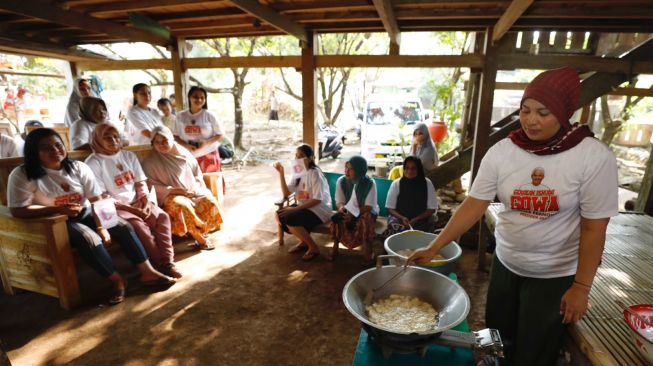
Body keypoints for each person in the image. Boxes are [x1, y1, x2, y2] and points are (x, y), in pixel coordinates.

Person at [407, 67, 618, 366]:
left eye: (543, 112)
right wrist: (434, 246)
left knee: (534, 352)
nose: (531, 120)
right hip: (507, 264)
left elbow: (595, 228)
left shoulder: (592, 157)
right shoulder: (504, 151)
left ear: (563, 112)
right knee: (497, 343)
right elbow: (473, 204)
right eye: (526, 110)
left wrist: (581, 287)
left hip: (553, 274)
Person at [7, 128, 175, 305]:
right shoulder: (22, 175)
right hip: (55, 220)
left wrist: (102, 226)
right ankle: (117, 280)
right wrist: (58, 211)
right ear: (34, 151)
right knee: (88, 238)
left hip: (87, 211)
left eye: (58, 145)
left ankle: (147, 272)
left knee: (123, 226)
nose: (55, 151)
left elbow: (96, 200)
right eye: (46, 148)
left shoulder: (78, 167)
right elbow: (18, 210)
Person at [85, 124, 182, 278]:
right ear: (97, 139)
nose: (113, 140)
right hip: (115, 208)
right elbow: (102, 197)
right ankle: (160, 264)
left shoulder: (128, 155)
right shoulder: (93, 162)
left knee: (162, 217)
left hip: (139, 201)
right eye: (107, 137)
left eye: (116, 137)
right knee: (138, 225)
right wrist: (132, 210)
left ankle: (168, 261)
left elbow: (140, 182)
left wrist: (144, 201)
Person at [142, 126, 222, 250]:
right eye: (156, 142)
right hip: (170, 194)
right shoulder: (150, 162)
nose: (161, 145)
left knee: (208, 200)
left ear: (172, 139)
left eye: (164, 141)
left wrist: (195, 188)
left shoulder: (183, 152)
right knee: (181, 206)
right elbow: (150, 184)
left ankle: (201, 230)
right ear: (152, 143)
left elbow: (197, 173)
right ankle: (200, 240)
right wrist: (174, 190)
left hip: (192, 190)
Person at [274, 144, 332, 261]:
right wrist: (281, 173)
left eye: (301, 156)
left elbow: (317, 199)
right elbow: (286, 193)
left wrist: (294, 209)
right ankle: (304, 242)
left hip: (320, 209)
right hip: (305, 207)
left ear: (310, 158)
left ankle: (313, 247)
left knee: (291, 218)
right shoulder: (298, 172)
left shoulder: (315, 173)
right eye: (296, 156)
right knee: (279, 214)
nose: (297, 159)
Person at [328, 155, 378, 264]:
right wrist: (342, 209)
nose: (346, 171)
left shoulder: (370, 183)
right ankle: (335, 246)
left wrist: (353, 213)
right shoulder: (341, 181)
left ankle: (368, 250)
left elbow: (369, 206)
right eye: (346, 168)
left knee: (366, 219)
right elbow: (339, 201)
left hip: (365, 211)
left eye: (351, 169)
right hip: (348, 210)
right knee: (337, 217)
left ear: (360, 170)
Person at [173, 86, 225, 173]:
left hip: (209, 154)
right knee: (192, 184)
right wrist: (186, 145)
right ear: (189, 97)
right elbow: (175, 136)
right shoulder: (180, 116)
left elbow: (221, 135)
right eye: (196, 97)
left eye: (202, 97)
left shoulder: (210, 115)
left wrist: (206, 143)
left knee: (210, 183)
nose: (199, 100)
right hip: (188, 155)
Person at [385, 157, 437, 235]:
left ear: (419, 169)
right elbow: (390, 208)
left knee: (420, 235)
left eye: (413, 168)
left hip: (421, 219)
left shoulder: (427, 184)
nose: (409, 171)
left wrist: (416, 219)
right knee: (396, 230)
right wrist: (402, 218)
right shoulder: (397, 184)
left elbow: (432, 208)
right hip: (400, 219)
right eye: (407, 168)